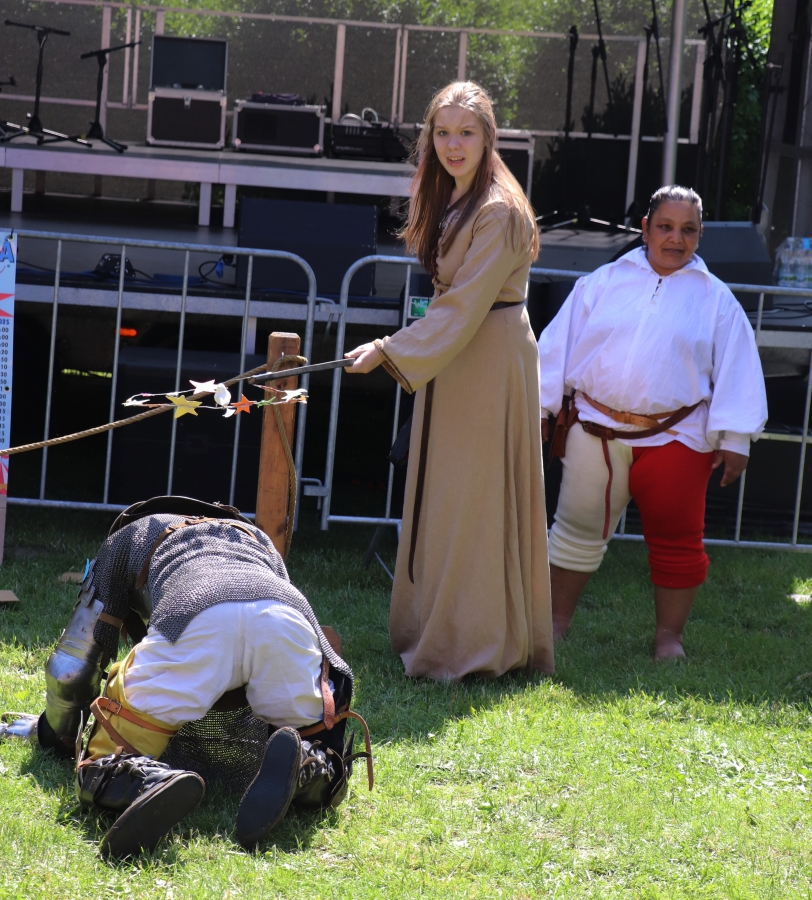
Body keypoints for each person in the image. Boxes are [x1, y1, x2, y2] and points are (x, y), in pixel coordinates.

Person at [1, 496, 371, 858]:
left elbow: (71, 670)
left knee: (102, 765)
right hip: (287, 619)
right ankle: (308, 766)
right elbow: (251, 629)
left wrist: (53, 733)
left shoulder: (130, 536)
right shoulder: (256, 537)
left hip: (195, 614)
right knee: (315, 741)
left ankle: (147, 780)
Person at [345, 82, 554, 680]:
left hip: (487, 357)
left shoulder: (499, 209)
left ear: (489, 137)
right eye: (442, 132)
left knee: (476, 499)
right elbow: (453, 308)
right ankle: (440, 629)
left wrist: (388, 350)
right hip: (459, 351)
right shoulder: (457, 196)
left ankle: (478, 645)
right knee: (448, 494)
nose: (453, 144)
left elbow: (464, 305)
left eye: (466, 132)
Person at [537, 186, 768, 659]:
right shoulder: (601, 283)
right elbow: (557, 347)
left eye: (688, 230)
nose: (675, 239)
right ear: (645, 229)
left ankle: (669, 638)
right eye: (665, 227)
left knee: (678, 539)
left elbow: (738, 368)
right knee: (575, 530)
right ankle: (554, 623)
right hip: (595, 429)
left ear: (700, 236)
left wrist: (737, 439)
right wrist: (542, 408)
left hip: (678, 436)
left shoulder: (717, 300)